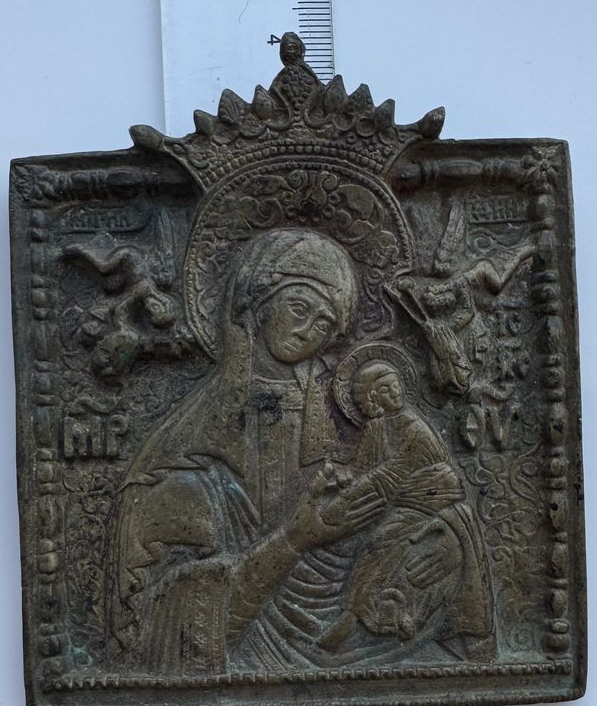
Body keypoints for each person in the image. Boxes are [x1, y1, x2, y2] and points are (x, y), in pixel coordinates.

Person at [109, 228, 384, 676]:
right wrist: (293, 541)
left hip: (345, 645)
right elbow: (166, 613)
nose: (306, 331)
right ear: (256, 303)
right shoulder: (188, 462)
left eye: (323, 325)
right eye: (299, 308)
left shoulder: (340, 428)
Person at [319, 358, 496, 660]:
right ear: (373, 399)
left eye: (396, 386)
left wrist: (346, 498)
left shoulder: (415, 427)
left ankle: (360, 618)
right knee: (374, 545)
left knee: (384, 544)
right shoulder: (378, 428)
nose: (395, 393)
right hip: (406, 503)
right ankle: (366, 616)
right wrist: (341, 476)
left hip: (435, 503)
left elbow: (390, 473)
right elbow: (364, 468)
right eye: (385, 390)